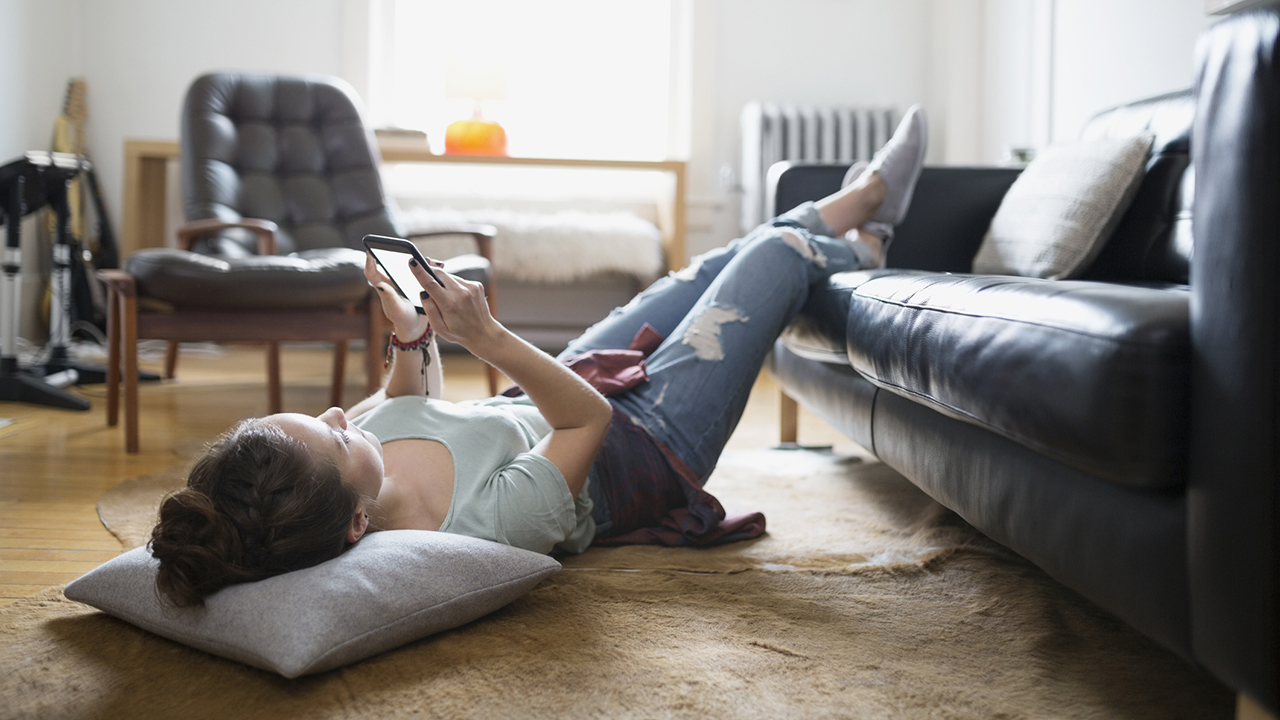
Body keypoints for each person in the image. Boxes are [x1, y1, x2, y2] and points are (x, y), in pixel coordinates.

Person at [149, 106, 929, 607]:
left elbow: (406, 400)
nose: (337, 414)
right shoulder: (479, 530)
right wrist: (485, 337)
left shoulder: (347, 465)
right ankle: (859, 225)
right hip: (646, 442)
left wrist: (412, 331)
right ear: (356, 528)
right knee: (779, 253)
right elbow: (585, 423)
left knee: (707, 267)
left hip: (556, 393)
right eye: (339, 433)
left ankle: (860, 222)